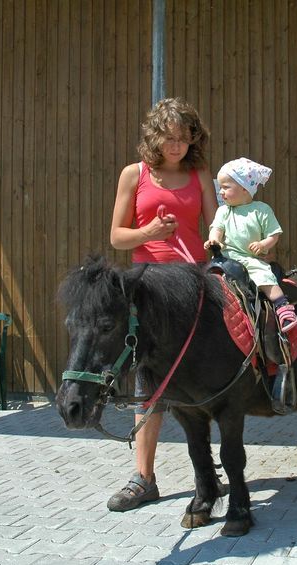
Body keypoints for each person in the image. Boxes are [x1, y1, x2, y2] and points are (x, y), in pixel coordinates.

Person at [107, 97, 218, 512]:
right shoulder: (134, 175)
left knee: (201, 379)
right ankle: (144, 478)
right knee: (147, 383)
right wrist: (150, 230)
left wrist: (218, 243)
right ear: (153, 137)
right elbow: (118, 237)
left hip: (194, 284)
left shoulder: (199, 173)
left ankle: (206, 474)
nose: (176, 147)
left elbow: (215, 226)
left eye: (183, 138)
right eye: (168, 138)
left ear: (193, 139)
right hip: (150, 286)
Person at [204, 157, 297, 332]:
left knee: (263, 276)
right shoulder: (223, 211)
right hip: (225, 258)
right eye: (220, 188)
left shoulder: (261, 210)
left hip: (248, 259)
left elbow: (274, 234)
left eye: (226, 187)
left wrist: (263, 244)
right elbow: (216, 229)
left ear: (244, 188)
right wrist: (214, 239)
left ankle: (282, 306)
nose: (221, 192)